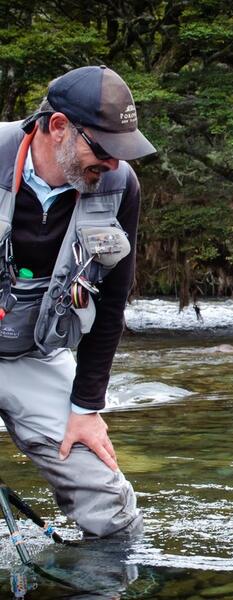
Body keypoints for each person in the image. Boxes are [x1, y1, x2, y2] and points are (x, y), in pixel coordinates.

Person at [0, 65, 156, 538]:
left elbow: (110, 307)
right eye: (105, 149)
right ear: (59, 126)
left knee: (110, 508)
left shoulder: (119, 187)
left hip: (36, 358)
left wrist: (87, 407)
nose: (113, 164)